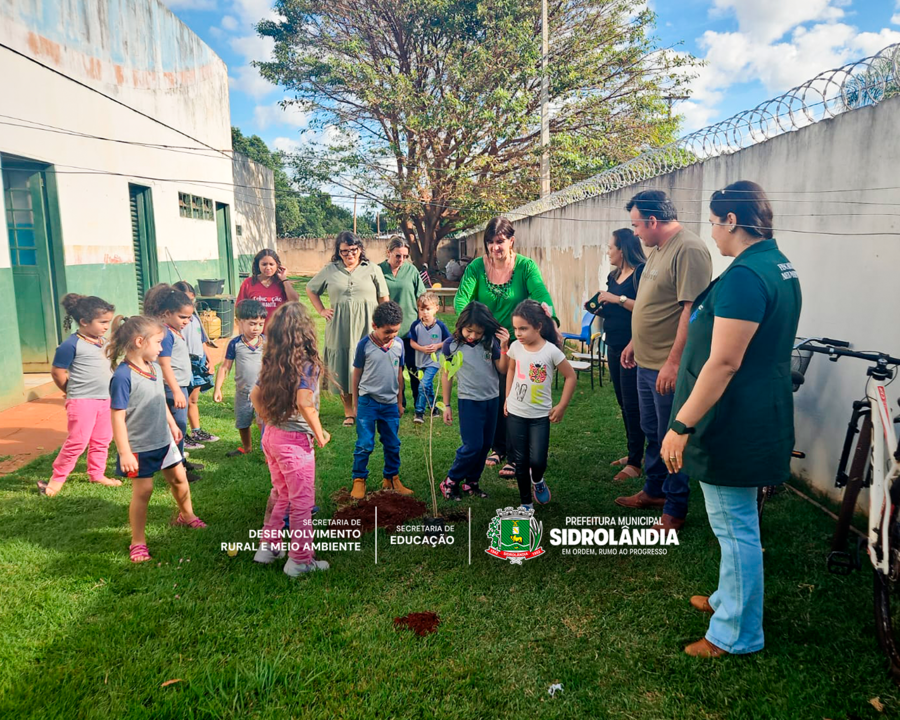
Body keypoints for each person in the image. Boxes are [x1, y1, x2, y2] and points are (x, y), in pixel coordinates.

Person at [660, 180, 802, 658]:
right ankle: (727, 599)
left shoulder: (746, 275)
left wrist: (681, 424)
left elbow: (724, 361)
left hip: (734, 420)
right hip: (751, 411)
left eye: (715, 224)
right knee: (733, 523)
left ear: (733, 221)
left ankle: (737, 633)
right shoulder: (773, 263)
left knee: (735, 527)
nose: (713, 235)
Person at [614, 190, 712, 531]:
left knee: (672, 436)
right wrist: (632, 342)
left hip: (666, 366)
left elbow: (691, 311)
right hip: (645, 360)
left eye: (637, 225)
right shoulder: (658, 251)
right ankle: (654, 491)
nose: (635, 232)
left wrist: (673, 363)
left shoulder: (689, 249)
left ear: (653, 221)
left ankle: (674, 508)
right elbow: (651, 303)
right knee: (653, 430)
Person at [454, 217, 557, 481]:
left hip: (516, 344)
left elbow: (540, 294)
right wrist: (480, 329)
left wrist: (547, 312)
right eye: (489, 242)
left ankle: (514, 455)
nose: (494, 248)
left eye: (499, 242)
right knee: (492, 395)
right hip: (486, 342)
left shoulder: (525, 266)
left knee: (513, 395)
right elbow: (461, 301)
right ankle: (497, 447)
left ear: (511, 240)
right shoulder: (477, 267)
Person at [107, 315, 206, 563]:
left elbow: (158, 399)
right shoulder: (122, 376)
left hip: (164, 440)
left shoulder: (152, 367)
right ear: (140, 341)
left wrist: (172, 423)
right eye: (158, 342)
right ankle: (138, 541)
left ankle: (187, 515)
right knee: (144, 491)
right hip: (139, 446)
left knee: (180, 479)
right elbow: (117, 417)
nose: (162, 348)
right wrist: (125, 452)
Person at [250, 302, 332, 577]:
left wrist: (268, 420)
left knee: (281, 493)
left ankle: (269, 547)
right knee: (301, 503)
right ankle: (300, 560)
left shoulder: (272, 361)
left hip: (271, 436)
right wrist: (319, 433)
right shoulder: (307, 364)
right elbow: (304, 402)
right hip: (294, 443)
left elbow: (254, 395)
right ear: (305, 332)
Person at [307, 232, 389, 426]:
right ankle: (349, 412)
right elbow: (311, 289)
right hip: (339, 326)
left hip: (368, 326)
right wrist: (321, 310)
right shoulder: (330, 270)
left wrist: (383, 322)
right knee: (343, 366)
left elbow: (384, 298)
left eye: (353, 250)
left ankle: (365, 408)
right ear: (338, 252)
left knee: (369, 365)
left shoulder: (373, 269)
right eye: (344, 251)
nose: (349, 254)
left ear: (360, 249)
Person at [40, 294, 118, 497]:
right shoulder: (70, 345)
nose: (105, 326)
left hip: (105, 399)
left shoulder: (102, 341)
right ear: (84, 322)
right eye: (102, 322)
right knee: (78, 440)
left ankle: (97, 473)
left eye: (108, 322)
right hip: (82, 401)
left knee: (102, 439)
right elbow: (58, 372)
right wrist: (70, 391)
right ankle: (57, 479)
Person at [586, 229, 647, 481]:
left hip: (632, 348)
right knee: (624, 402)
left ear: (622, 249)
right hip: (612, 344)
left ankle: (635, 462)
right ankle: (635, 453)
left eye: (610, 247)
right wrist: (601, 307)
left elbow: (645, 307)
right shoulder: (614, 275)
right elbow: (616, 308)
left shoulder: (640, 273)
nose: (608, 251)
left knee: (633, 405)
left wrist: (617, 298)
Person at [504, 300, 577, 511]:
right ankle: (526, 503)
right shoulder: (515, 347)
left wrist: (562, 406)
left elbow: (570, 377)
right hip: (516, 412)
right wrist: (507, 398)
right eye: (516, 328)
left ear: (538, 326)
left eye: (523, 328)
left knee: (537, 461)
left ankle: (537, 480)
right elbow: (510, 370)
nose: (518, 333)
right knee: (520, 460)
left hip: (539, 417)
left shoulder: (551, 351)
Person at [440, 302, 510, 501]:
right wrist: (446, 405)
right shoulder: (451, 345)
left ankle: (471, 482)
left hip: (492, 400)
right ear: (461, 324)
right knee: (472, 445)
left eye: (478, 332)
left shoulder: (490, 342)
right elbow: (447, 375)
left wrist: (504, 347)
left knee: (486, 444)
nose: (472, 336)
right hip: (469, 402)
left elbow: (503, 369)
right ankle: (450, 480)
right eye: (469, 331)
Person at [350, 301, 411, 500]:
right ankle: (359, 480)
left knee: (393, 444)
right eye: (388, 331)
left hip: (390, 404)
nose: (392, 336)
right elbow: (356, 375)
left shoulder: (399, 345)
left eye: (395, 331)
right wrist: (355, 404)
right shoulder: (364, 345)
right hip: (368, 402)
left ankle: (392, 478)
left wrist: (400, 402)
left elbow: (400, 374)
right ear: (375, 325)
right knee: (365, 444)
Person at [144, 284, 202, 483]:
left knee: (180, 426)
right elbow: (165, 365)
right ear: (167, 313)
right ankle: (178, 469)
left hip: (180, 386)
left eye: (189, 317)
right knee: (178, 426)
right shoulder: (166, 334)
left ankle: (181, 463)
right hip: (172, 388)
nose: (187, 321)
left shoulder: (174, 330)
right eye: (183, 317)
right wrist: (177, 391)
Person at [214, 299, 267, 457]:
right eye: (252, 324)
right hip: (243, 393)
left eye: (260, 324)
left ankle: (267, 451)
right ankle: (247, 447)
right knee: (243, 422)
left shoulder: (267, 342)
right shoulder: (235, 344)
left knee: (263, 422)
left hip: (263, 393)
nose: (256, 328)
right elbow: (225, 367)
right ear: (239, 322)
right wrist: (218, 388)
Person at [378, 237, 426, 409]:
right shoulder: (378, 270)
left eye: (405, 256)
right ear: (388, 252)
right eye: (398, 255)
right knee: (393, 370)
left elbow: (421, 296)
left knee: (414, 369)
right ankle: (398, 403)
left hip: (410, 329)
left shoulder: (411, 271)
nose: (401, 260)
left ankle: (420, 403)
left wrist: (424, 318)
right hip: (388, 331)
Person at [173, 281, 218, 448]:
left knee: (193, 400)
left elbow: (202, 341)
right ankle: (181, 435)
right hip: (184, 363)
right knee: (181, 401)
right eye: (185, 300)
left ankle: (196, 431)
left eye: (191, 300)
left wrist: (210, 359)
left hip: (198, 362)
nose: (189, 304)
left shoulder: (195, 319)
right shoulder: (176, 321)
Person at [407, 293, 451, 424]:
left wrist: (437, 345)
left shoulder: (440, 326)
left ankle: (419, 412)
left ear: (436, 308)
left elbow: (448, 340)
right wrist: (422, 349)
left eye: (428, 309)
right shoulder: (415, 325)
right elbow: (412, 342)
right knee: (428, 387)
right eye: (422, 309)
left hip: (434, 361)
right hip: (420, 361)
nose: (425, 313)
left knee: (423, 385)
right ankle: (434, 408)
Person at [236, 248, 300, 327]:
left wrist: (284, 279)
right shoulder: (248, 283)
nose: (268, 268)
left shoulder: (282, 283)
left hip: (279, 330)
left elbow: (295, 300)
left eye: (271, 264)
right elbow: (240, 308)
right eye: (264, 264)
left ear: (277, 265)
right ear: (258, 265)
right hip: (256, 332)